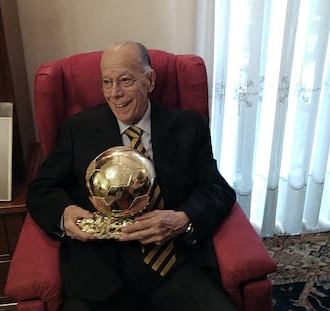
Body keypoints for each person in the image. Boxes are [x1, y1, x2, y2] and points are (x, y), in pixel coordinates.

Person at [27, 41, 238, 311]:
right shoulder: (78, 130)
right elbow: (41, 189)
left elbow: (216, 189)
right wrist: (65, 213)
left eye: (125, 80)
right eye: (106, 82)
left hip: (173, 263)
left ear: (149, 81)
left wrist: (182, 220)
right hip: (100, 272)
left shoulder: (188, 126)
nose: (115, 93)